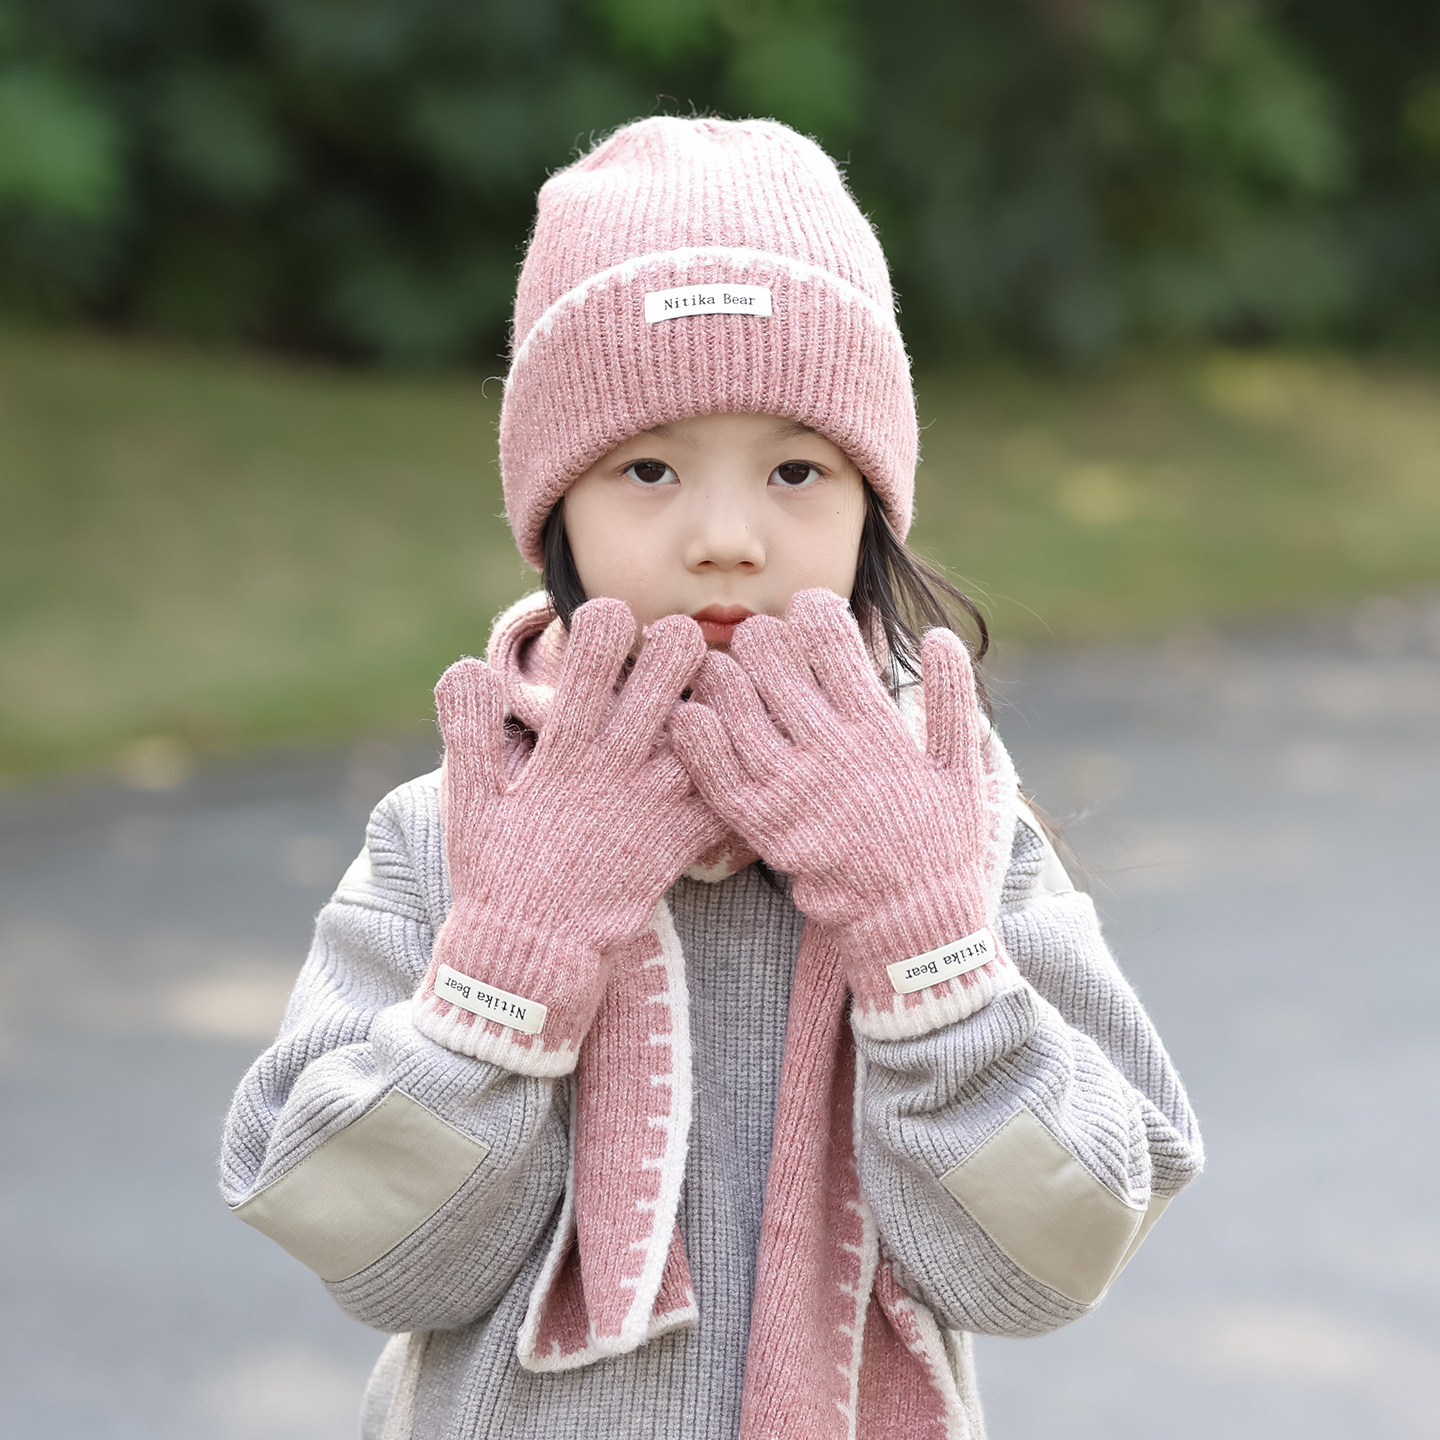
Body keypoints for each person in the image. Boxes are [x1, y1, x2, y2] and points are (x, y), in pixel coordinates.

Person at [219, 117, 1203, 1440]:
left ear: (874, 502)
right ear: (555, 503)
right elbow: (371, 1247)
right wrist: (522, 944)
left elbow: (1051, 1260)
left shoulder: (948, 822)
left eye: (797, 469)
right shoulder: (458, 828)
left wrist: (923, 936)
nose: (727, 538)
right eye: (648, 468)